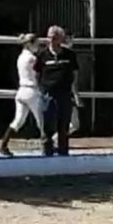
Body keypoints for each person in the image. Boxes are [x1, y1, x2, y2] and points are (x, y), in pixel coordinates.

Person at [35, 25, 80, 157]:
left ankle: (63, 152)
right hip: (48, 94)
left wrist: (75, 93)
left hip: (64, 94)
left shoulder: (69, 55)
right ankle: (47, 152)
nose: (52, 40)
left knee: (64, 125)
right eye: (50, 37)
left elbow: (75, 74)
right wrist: (41, 90)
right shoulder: (42, 55)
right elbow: (37, 74)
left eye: (55, 37)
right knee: (47, 124)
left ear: (61, 39)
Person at [0, 33, 45, 157]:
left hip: (21, 90)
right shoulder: (32, 58)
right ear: (30, 44)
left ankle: (4, 145)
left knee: (17, 121)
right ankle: (47, 147)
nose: (38, 46)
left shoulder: (21, 57)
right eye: (36, 44)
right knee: (42, 121)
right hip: (32, 90)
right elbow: (38, 74)